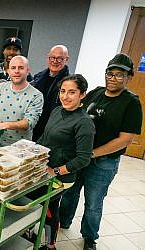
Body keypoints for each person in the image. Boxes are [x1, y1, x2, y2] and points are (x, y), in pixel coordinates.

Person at [59, 53, 143, 250]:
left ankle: (89, 237)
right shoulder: (96, 93)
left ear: (129, 77)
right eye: (110, 73)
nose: (113, 78)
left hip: (103, 163)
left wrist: (91, 154)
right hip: (80, 156)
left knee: (93, 202)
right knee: (70, 193)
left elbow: (125, 139)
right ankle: (63, 222)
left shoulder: (131, 102)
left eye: (119, 75)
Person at [29, 74, 95, 250]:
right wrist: (30, 152)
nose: (65, 96)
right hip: (44, 169)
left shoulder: (84, 123)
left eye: (72, 92)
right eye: (63, 91)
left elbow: (83, 159)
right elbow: (45, 137)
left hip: (62, 177)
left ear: (82, 95)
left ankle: (50, 245)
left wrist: (56, 171)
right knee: (38, 204)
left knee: (49, 208)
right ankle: (29, 233)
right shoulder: (57, 111)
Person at [0, 56, 43, 146]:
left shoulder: (36, 95)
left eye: (21, 68)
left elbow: (29, 123)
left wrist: (5, 125)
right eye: (13, 68)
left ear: (28, 70)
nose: (17, 71)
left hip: (20, 148)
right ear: (8, 71)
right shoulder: (0, 87)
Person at [32, 45, 70, 142]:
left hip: (53, 131)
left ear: (67, 59)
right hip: (33, 127)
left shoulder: (69, 83)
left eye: (59, 58)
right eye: (52, 57)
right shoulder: (38, 78)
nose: (55, 61)